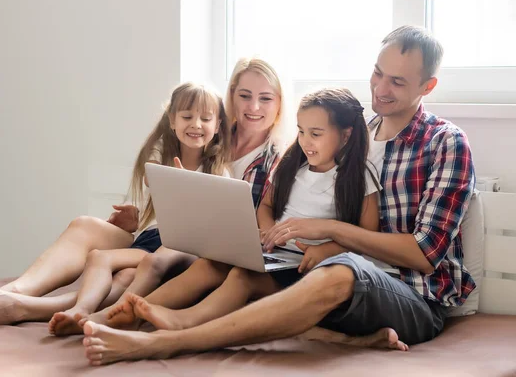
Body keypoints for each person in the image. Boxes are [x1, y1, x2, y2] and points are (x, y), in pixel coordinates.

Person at [80, 25, 477, 366]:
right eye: (377, 73)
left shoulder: (444, 143)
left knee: (341, 272)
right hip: (323, 271)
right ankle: (119, 317)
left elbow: (424, 255)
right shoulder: (349, 132)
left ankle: (165, 342)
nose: (381, 88)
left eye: (398, 81)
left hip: (413, 295)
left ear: (428, 86)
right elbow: (284, 192)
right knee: (246, 269)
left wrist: (328, 232)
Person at [0, 82, 231, 333]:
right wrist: (133, 216)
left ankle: (27, 307)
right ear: (172, 119)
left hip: (179, 247)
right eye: (187, 117)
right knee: (88, 235)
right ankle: (13, 293)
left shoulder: (219, 171)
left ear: (218, 125)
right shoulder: (160, 154)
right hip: (148, 237)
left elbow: (206, 226)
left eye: (205, 119)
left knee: (126, 275)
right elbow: (151, 191)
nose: (196, 125)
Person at [112, 88, 382, 335]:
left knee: (241, 278)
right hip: (275, 255)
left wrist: (326, 250)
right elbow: (265, 206)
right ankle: (131, 310)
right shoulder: (292, 165)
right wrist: (265, 231)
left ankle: (184, 321)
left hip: (308, 269)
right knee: (209, 264)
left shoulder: (358, 178)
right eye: (301, 131)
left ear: (345, 135)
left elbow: (367, 238)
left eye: (315, 134)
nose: (305, 141)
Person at [76, 57, 288, 328]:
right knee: (124, 271)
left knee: (148, 266)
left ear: (280, 103)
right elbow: (156, 196)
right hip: (170, 238)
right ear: (231, 97)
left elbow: (257, 223)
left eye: (266, 98)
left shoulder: (278, 159)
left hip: (210, 252)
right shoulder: (213, 142)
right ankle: (79, 311)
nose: (254, 106)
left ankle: (104, 315)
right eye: (244, 95)